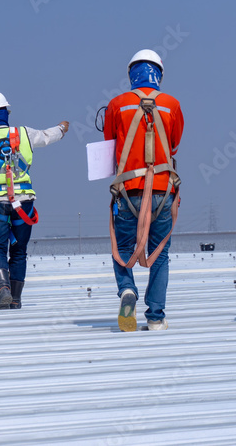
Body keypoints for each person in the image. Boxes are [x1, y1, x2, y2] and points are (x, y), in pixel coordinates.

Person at [104, 50, 184, 332]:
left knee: (123, 249)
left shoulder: (117, 104)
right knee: (159, 254)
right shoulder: (171, 105)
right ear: (159, 73)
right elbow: (173, 147)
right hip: (163, 191)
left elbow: (109, 147)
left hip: (127, 191)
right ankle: (156, 317)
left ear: (131, 74)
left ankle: (127, 290)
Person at [0, 90, 67, 309]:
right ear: (6, 112)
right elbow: (47, 136)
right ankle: (15, 298)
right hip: (25, 203)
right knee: (19, 250)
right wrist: (62, 128)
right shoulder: (23, 134)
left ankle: (2, 288)